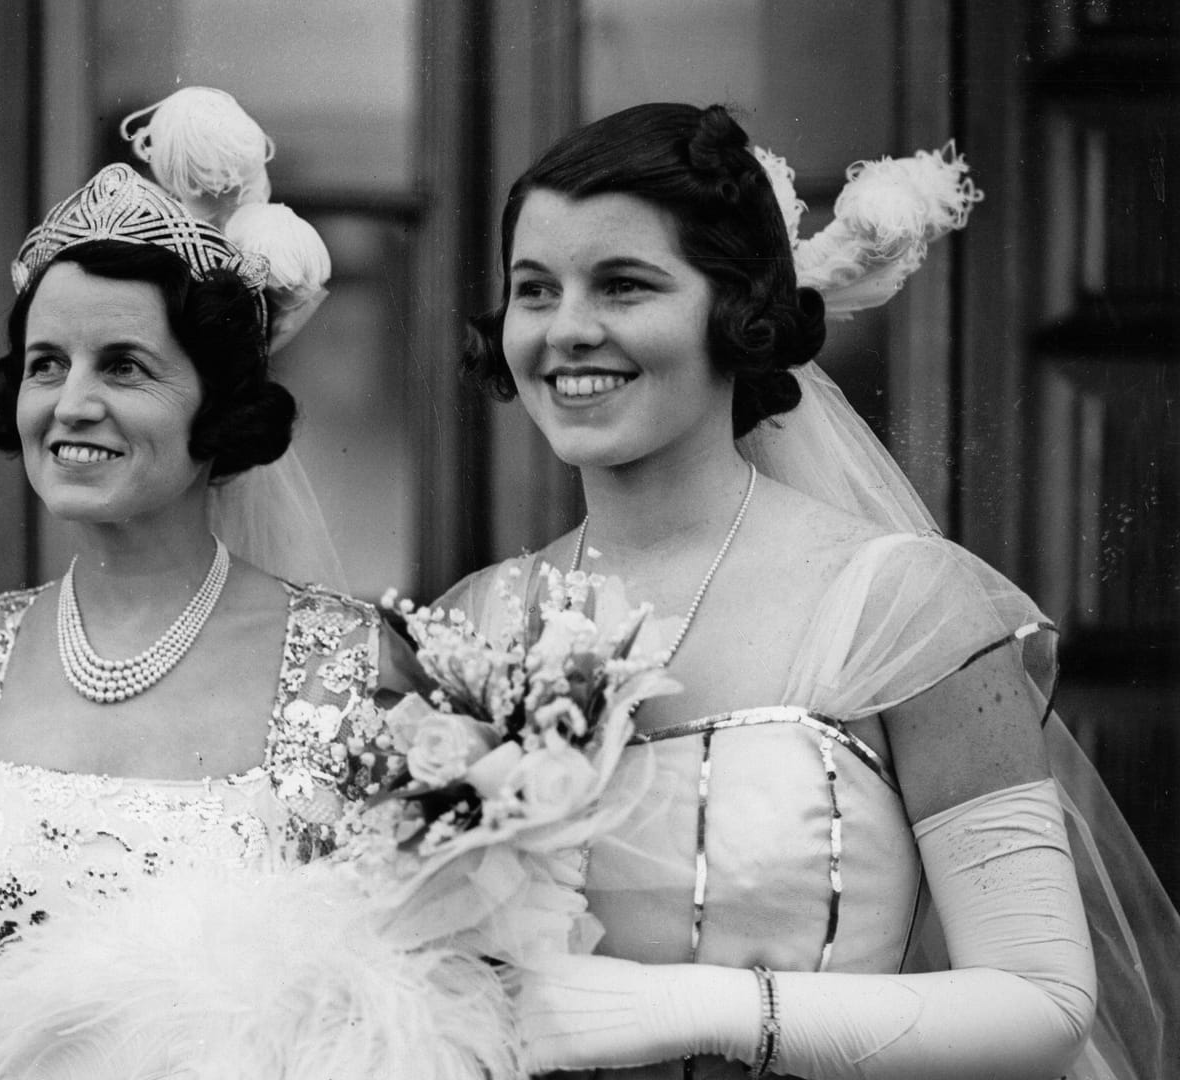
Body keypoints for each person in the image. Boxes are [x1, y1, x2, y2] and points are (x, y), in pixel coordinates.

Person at [441, 101, 1179, 1080]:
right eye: (535, 291)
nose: (569, 330)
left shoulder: (901, 606)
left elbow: (1042, 1003)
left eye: (623, 284)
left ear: (736, 307)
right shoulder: (472, 625)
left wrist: (695, 1007)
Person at [0, 91, 431, 1076]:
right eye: (46, 363)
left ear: (217, 409)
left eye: (127, 366)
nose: (73, 403)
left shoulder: (348, 663)